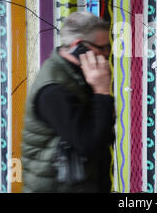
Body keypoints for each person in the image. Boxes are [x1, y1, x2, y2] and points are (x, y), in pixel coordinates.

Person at [21, 11, 115, 193]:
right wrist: (102, 91)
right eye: (101, 48)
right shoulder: (54, 90)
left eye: (108, 47)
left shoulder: (77, 74)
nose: (107, 54)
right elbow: (88, 144)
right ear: (78, 46)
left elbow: (104, 134)